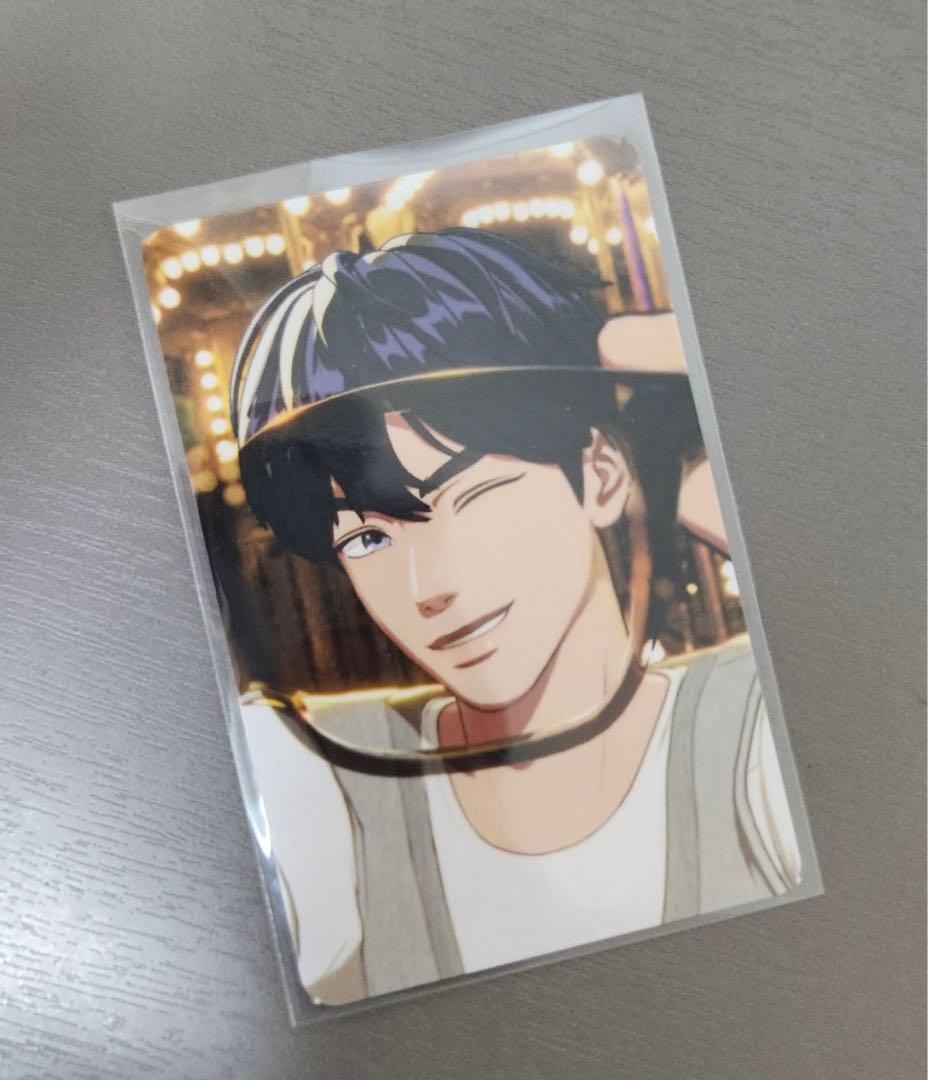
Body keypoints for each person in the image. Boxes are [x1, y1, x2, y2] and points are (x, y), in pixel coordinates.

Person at [230, 228, 801, 1005]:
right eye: (368, 537)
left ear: (601, 474)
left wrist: (621, 361)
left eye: (477, 497)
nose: (431, 584)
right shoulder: (326, 775)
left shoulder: (751, 730)